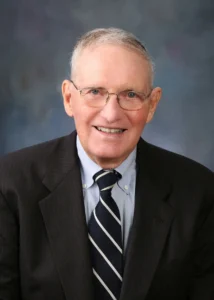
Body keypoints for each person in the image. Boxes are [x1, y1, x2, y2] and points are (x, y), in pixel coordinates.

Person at [0, 27, 214, 300]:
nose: (111, 114)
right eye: (95, 91)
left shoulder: (200, 192)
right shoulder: (10, 185)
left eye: (131, 95)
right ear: (69, 98)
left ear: (152, 105)